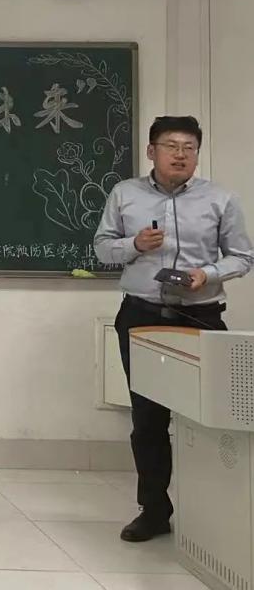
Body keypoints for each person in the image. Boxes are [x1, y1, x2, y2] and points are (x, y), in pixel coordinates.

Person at [94, 115, 252, 542]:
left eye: (189, 148)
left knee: (212, 417)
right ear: (152, 151)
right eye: (171, 146)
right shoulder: (125, 193)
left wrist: (208, 273)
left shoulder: (220, 198)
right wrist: (134, 245)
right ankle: (154, 511)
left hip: (201, 316)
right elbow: (102, 248)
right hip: (142, 316)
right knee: (148, 418)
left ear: (197, 154)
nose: (180, 155)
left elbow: (242, 256)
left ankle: (217, 513)